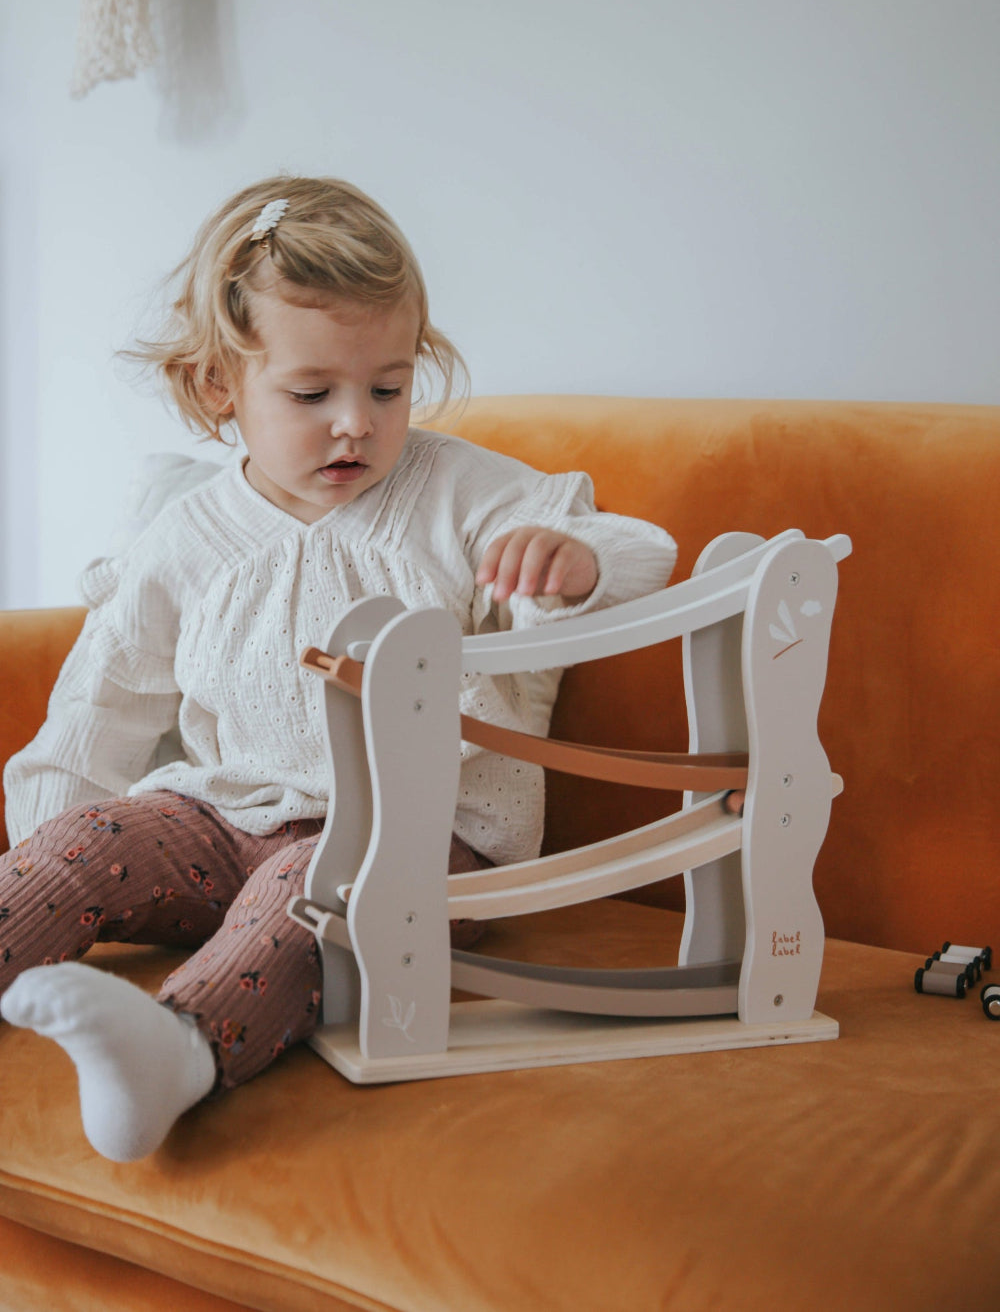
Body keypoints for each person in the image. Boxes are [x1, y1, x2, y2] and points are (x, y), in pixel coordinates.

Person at [0, 176, 677, 1161]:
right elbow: (96, 708)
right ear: (218, 389)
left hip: (413, 837)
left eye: (388, 387)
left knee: (313, 886)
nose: (357, 422)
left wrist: (571, 562)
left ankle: (181, 1050)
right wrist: (50, 848)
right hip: (222, 819)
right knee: (82, 843)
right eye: (313, 393)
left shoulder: (459, 492)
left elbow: (639, 552)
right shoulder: (185, 536)